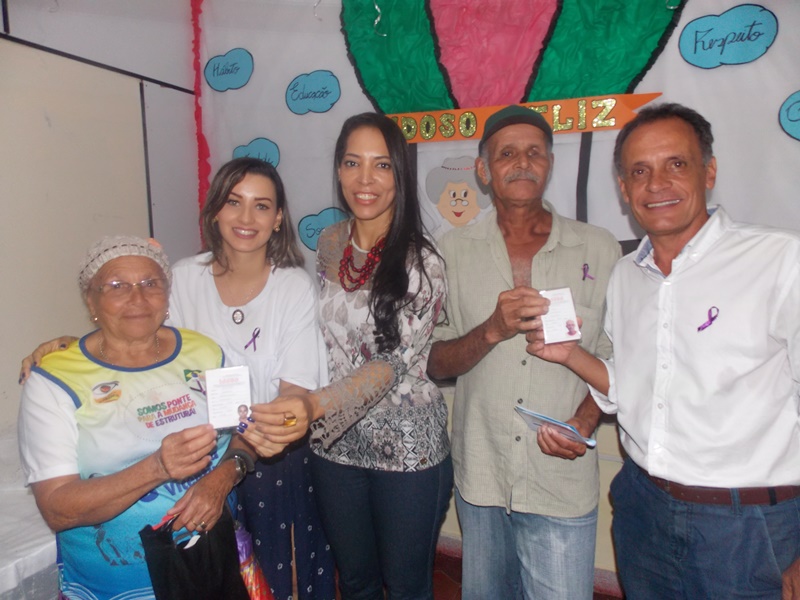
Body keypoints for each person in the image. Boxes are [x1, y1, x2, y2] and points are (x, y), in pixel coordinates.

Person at [18, 159, 336, 600]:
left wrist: (233, 463)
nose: (246, 218)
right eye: (233, 202)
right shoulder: (183, 277)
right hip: (197, 451)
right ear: (214, 211)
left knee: (273, 582)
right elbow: (138, 333)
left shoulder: (292, 287)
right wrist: (75, 349)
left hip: (265, 453)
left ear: (278, 217)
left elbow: (294, 395)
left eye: (261, 206)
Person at [527, 103, 800, 599]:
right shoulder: (627, 275)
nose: (657, 185)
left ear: (709, 171)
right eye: (639, 171)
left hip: (746, 526)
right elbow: (630, 385)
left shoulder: (781, 261)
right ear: (624, 188)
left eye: (676, 164)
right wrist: (569, 354)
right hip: (643, 508)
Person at [426, 105, 621, 600]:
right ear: (483, 170)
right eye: (506, 153)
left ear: (550, 163)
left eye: (534, 152)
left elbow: (618, 360)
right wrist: (490, 330)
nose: (522, 163)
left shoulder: (598, 249)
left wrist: (582, 422)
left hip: (561, 476)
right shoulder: (450, 251)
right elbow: (433, 360)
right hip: (483, 476)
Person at [262, 112, 453, 600]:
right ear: (339, 170)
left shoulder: (422, 260)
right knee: (358, 581)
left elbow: (392, 364)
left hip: (407, 448)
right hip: (334, 446)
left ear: (399, 176)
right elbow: (307, 326)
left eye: (381, 166)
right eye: (352, 163)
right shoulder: (329, 243)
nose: (364, 180)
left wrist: (313, 407)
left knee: (407, 587)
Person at [17, 236, 262, 598]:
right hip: (119, 585)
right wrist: (159, 467)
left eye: (151, 283)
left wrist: (222, 478)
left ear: (166, 295)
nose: (137, 298)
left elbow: (245, 433)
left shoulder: (205, 352)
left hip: (216, 562)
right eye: (117, 286)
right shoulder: (55, 379)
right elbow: (58, 509)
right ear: (91, 300)